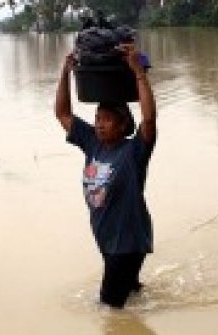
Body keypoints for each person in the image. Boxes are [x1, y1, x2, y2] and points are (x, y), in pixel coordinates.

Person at [55, 44, 157, 308]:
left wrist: (138, 72)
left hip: (127, 242)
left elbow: (148, 121)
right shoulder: (93, 143)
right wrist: (65, 72)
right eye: (97, 118)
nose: (99, 123)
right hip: (107, 239)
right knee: (129, 296)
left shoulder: (134, 151)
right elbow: (63, 114)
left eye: (107, 119)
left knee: (109, 307)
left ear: (123, 125)